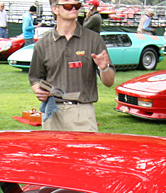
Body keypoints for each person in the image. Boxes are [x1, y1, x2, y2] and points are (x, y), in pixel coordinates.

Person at [29, 0, 114, 132]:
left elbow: (109, 82)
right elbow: (35, 78)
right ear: (55, 9)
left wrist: (104, 68)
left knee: (85, 152)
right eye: (68, 5)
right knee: (53, 153)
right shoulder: (43, 44)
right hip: (53, 113)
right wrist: (38, 91)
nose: (74, 8)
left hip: (83, 112)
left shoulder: (94, 39)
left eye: (77, 5)